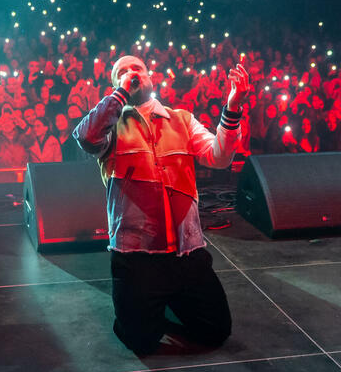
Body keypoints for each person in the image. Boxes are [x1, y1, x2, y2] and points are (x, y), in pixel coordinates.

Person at [73, 54, 249, 356]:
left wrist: (232, 107)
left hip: (186, 252)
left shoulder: (180, 119)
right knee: (140, 343)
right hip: (137, 257)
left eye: (136, 68)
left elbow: (219, 156)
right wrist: (121, 95)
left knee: (216, 332)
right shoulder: (110, 126)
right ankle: (141, 310)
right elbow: (86, 138)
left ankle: (165, 302)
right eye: (122, 72)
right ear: (116, 84)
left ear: (150, 76)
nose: (131, 73)